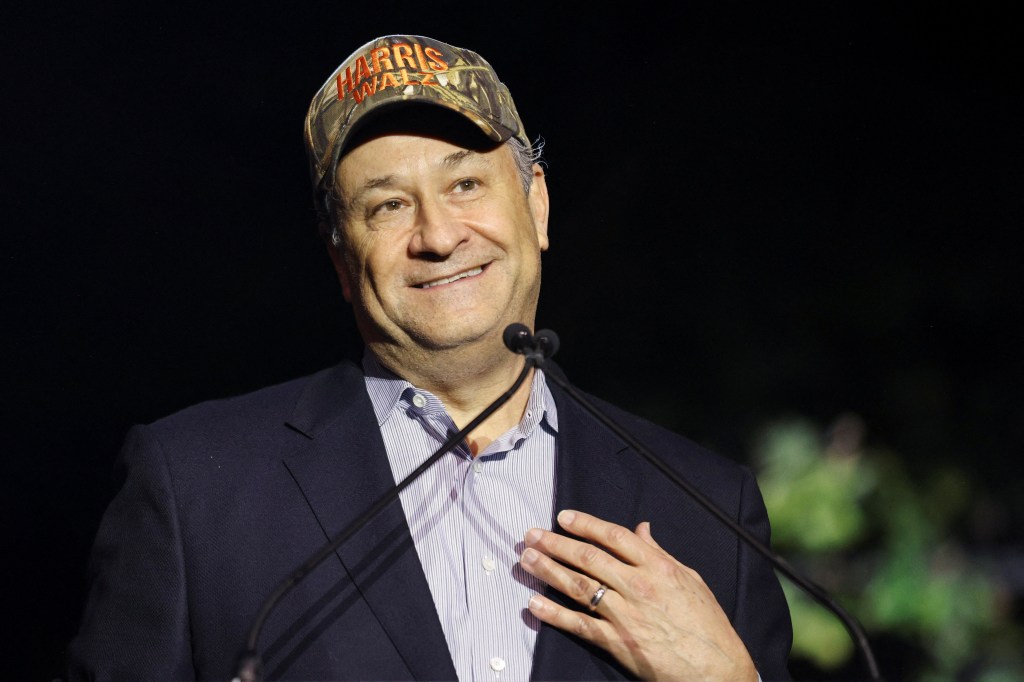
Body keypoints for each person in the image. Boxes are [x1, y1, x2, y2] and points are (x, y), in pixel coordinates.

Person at [67, 34, 793, 681]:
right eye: (388, 206)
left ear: (536, 205)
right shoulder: (193, 487)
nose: (438, 236)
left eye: (466, 184)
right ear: (341, 260)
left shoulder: (707, 512)